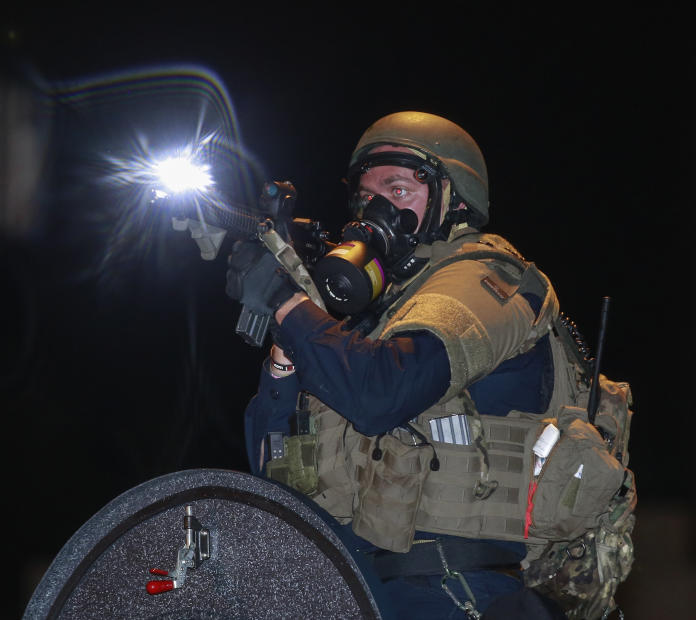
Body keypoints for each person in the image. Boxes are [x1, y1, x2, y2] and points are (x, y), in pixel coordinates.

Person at [226, 111, 634, 619]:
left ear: (453, 199)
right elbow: (275, 475)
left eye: (397, 191)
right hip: (358, 589)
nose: (376, 210)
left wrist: (288, 306)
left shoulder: (490, 281)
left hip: (457, 591)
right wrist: (287, 352)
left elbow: (384, 393)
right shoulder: (375, 322)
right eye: (366, 196)